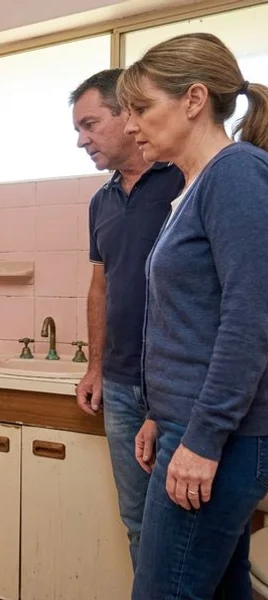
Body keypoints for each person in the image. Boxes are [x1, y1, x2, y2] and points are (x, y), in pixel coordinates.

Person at [117, 32, 268, 599]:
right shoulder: (195, 186)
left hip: (220, 438)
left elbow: (250, 319)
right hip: (193, 426)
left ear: (194, 99)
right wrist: (159, 413)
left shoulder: (237, 174)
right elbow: (189, 323)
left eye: (141, 108)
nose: (130, 125)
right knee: (226, 591)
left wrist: (202, 439)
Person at [70, 69, 184, 570]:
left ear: (127, 114)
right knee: (138, 522)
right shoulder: (101, 202)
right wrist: (95, 367)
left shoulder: (186, 176)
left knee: (186, 525)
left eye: (91, 124)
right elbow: (102, 286)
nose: (82, 140)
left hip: (177, 388)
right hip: (118, 387)